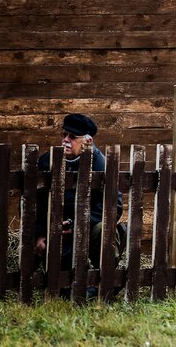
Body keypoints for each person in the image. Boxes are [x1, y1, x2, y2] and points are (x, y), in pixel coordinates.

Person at [34, 114, 124, 297]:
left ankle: (104, 282)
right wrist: (39, 234)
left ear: (87, 140)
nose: (66, 140)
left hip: (86, 227)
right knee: (61, 289)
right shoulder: (46, 161)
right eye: (64, 135)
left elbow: (114, 205)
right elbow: (34, 204)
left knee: (103, 229)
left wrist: (78, 223)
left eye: (73, 137)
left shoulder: (100, 164)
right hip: (55, 229)